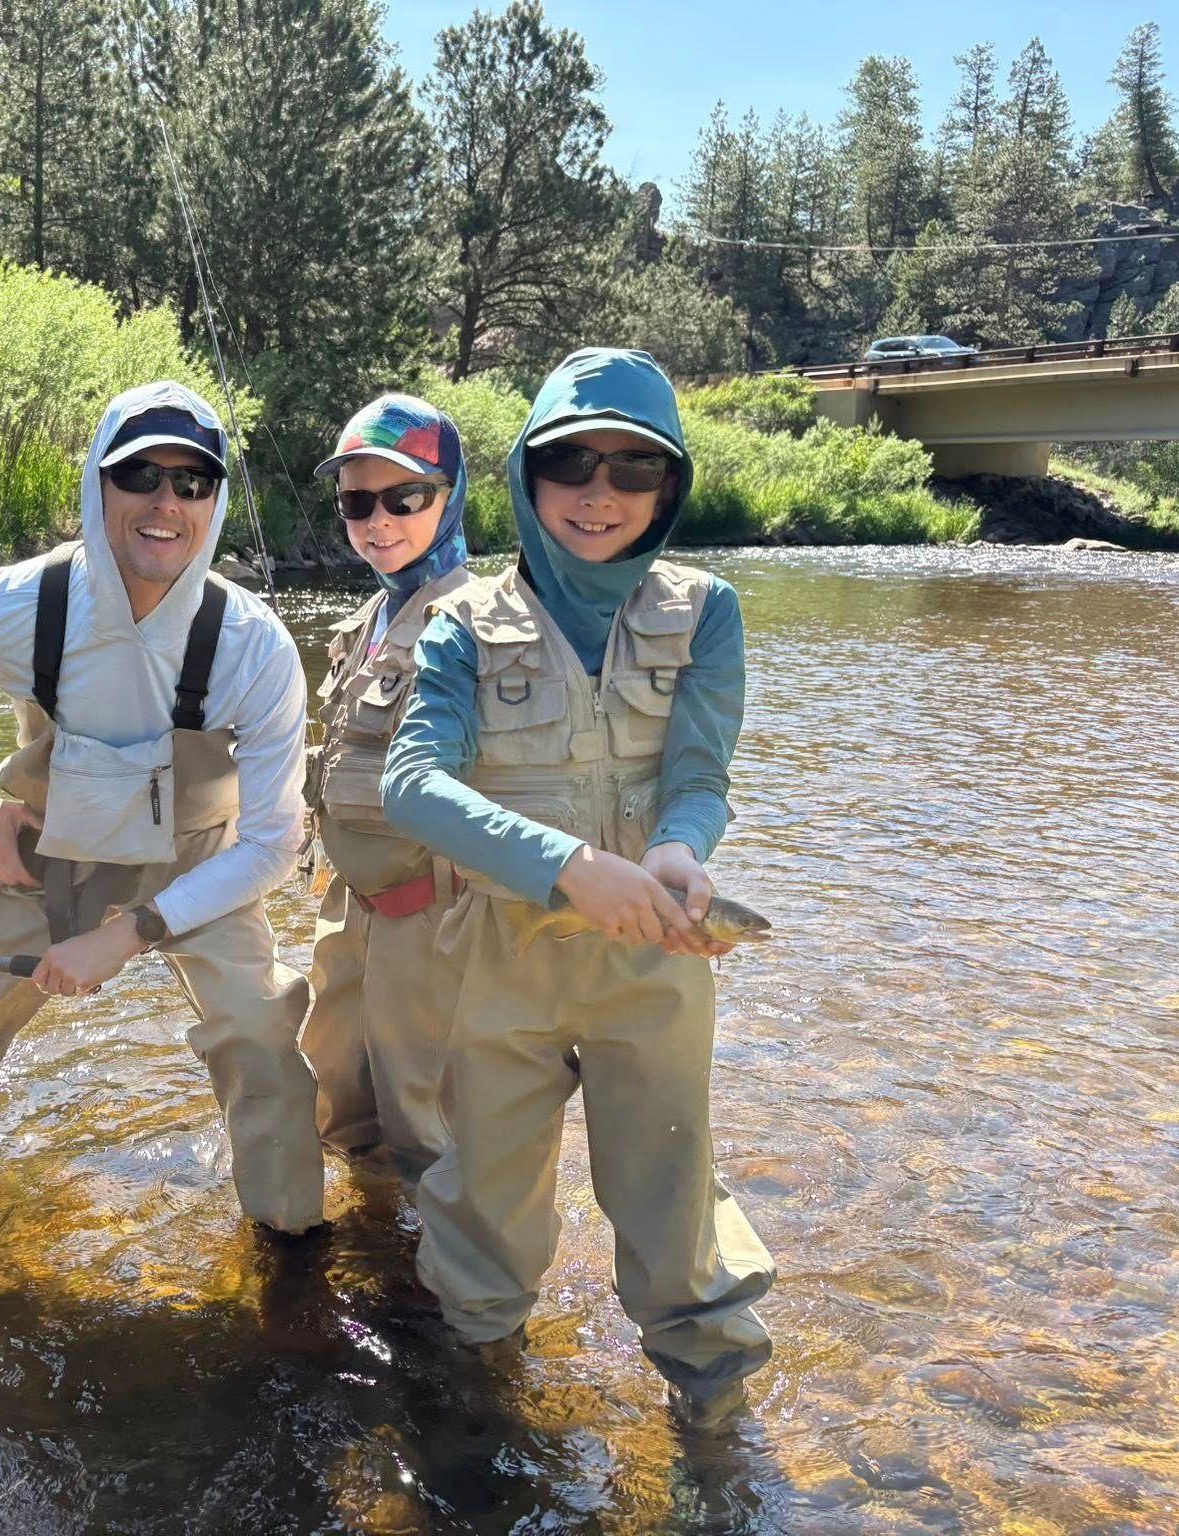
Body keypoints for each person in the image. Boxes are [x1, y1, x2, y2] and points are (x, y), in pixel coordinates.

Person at [380, 348, 774, 1425]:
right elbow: (409, 784)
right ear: (525, 476)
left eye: (631, 469)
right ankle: (475, 1399)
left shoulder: (708, 612)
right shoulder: (460, 623)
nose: (598, 493)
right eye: (569, 463)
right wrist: (565, 869)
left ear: (668, 486)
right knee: (484, 1213)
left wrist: (677, 851)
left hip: (656, 951)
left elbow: (698, 778)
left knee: (671, 1199)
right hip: (498, 965)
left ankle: (710, 1414)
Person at [0, 380, 325, 1236]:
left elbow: (271, 846)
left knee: (265, 1047)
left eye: (192, 483)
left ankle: (291, 1257)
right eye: (140, 475)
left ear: (216, 501)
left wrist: (128, 933)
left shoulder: (254, 646)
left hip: (205, 865)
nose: (165, 503)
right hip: (53, 856)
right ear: (97, 486)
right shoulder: (19, 606)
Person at [298, 395, 470, 1177]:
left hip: (437, 932)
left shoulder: (483, 621)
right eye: (356, 502)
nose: (379, 520)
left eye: (404, 497)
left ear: (451, 493)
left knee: (436, 1135)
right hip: (350, 915)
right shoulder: (369, 614)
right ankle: (369, 1250)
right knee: (339, 1105)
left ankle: (456, 1292)